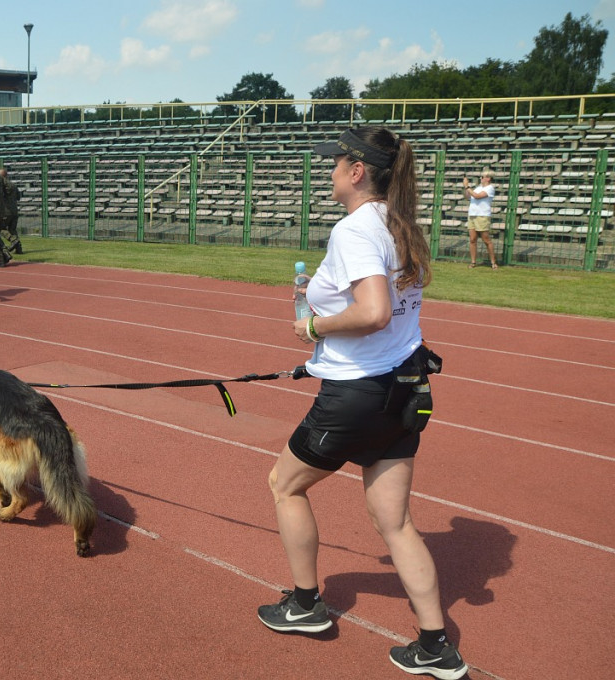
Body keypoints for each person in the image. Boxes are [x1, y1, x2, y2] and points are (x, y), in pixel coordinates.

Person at [257, 128, 467, 680]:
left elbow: (373, 312)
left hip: (358, 395)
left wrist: (313, 327)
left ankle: (305, 605)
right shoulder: (398, 225)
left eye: (336, 163)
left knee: (285, 485)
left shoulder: (354, 229)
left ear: (356, 172)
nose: (329, 172)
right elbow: (392, 319)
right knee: (395, 523)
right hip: (403, 389)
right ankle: (435, 646)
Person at [463, 169, 498, 269]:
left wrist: (467, 186)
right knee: (472, 239)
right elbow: (468, 196)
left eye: (482, 177)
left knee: (486, 240)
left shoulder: (490, 188)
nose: (481, 179)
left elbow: (477, 196)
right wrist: (466, 189)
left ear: (488, 178)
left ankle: (493, 262)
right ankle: (473, 262)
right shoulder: (478, 187)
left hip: (482, 215)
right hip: (472, 215)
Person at [0, 167, 24, 255]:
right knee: (12, 229)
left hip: (5, 211)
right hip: (14, 211)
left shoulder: (1, 185)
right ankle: (19, 249)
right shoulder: (13, 185)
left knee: (0, 228)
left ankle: (13, 240)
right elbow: (18, 197)